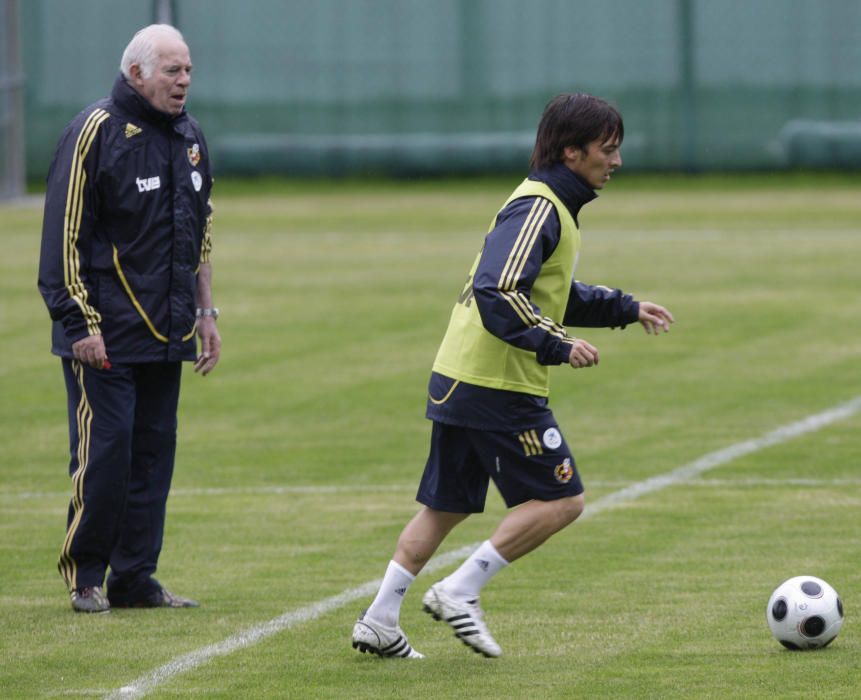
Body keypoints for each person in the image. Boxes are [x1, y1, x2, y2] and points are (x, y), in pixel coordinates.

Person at [351, 93, 674, 658]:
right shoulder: (540, 205)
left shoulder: (551, 206)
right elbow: (499, 288)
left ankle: (380, 618)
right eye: (608, 149)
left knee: (446, 506)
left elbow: (548, 290)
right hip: (495, 382)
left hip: (463, 374)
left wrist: (624, 308)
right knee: (562, 501)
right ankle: (460, 589)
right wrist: (555, 343)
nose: (616, 161)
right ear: (572, 152)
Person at [37, 24, 220, 613]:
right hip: (104, 335)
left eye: (188, 70)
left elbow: (200, 231)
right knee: (106, 455)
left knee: (152, 457)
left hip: (167, 333)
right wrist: (78, 322)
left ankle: (135, 577)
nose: (184, 80)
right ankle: (86, 574)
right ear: (136, 73)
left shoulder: (190, 137)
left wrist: (206, 312)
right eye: (172, 70)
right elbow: (63, 237)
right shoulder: (94, 131)